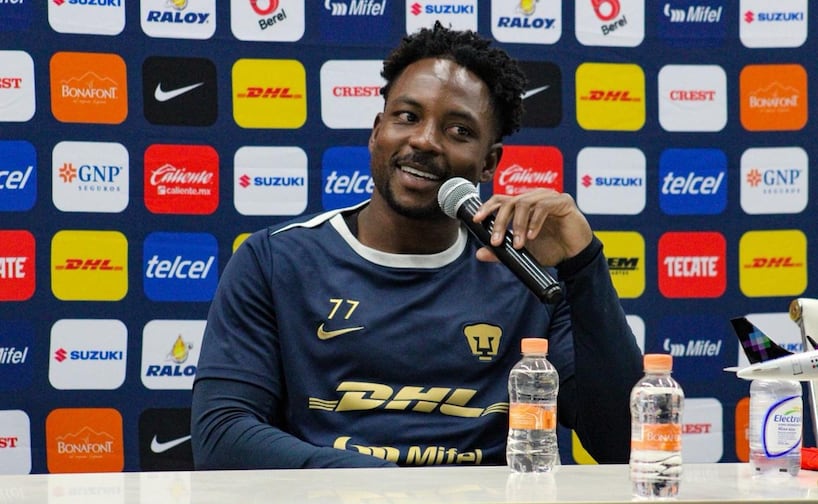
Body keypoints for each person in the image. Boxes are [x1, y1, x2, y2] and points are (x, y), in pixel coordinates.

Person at [191, 21, 643, 469]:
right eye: (407, 117)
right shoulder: (276, 261)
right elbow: (221, 435)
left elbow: (622, 445)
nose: (424, 140)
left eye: (459, 131)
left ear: (489, 163)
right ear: (377, 131)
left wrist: (584, 265)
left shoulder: (529, 274)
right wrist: (383, 489)